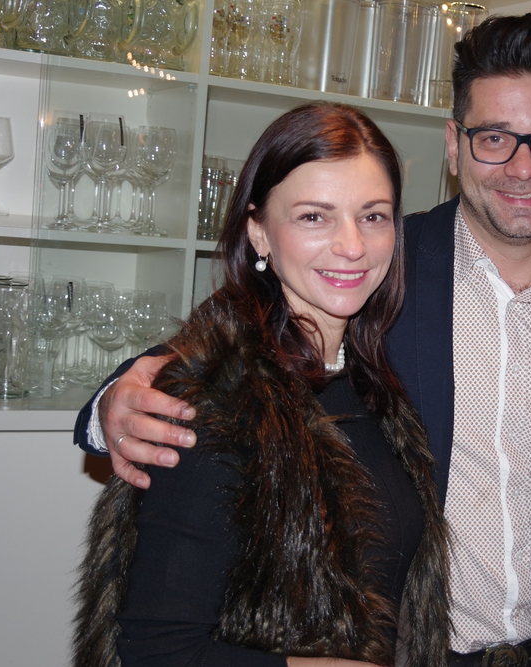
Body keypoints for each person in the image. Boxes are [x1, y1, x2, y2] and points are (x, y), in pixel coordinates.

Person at [74, 14, 531, 666]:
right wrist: (113, 402)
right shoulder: (376, 268)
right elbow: (235, 340)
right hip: (410, 650)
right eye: (494, 137)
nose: (524, 167)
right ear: (454, 144)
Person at [71, 103, 449, 667]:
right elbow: (156, 650)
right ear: (258, 231)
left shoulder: (371, 377)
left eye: (373, 216)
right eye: (314, 216)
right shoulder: (223, 402)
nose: (352, 245)